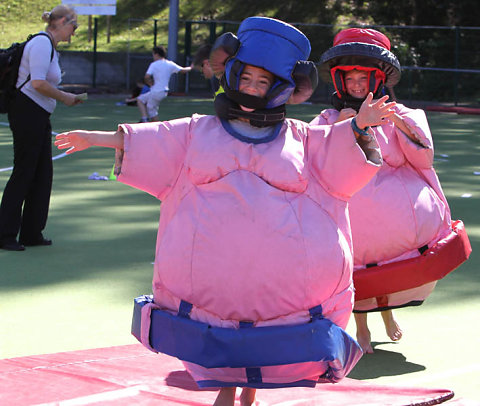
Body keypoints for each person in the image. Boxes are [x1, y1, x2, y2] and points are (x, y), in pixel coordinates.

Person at [55, 17, 396, 406]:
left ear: (280, 88)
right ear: (232, 77)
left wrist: (361, 126)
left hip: (276, 289)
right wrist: (91, 138)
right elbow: (147, 139)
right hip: (214, 286)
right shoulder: (198, 131)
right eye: (246, 78)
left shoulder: (300, 138)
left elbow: (336, 149)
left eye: (262, 82)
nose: (252, 87)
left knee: (264, 338)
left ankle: (248, 395)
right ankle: (227, 393)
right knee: (223, 336)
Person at [311, 28, 469, 354]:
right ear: (339, 81)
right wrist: (345, 126)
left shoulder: (402, 116)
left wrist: (396, 121)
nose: (356, 85)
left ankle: (387, 316)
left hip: (396, 226)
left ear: (378, 80)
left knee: (388, 269)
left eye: (363, 79)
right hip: (351, 218)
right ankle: (363, 329)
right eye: (349, 79)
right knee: (356, 273)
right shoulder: (328, 118)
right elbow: (316, 160)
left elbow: (423, 156)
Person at [0, 4, 83, 252]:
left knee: (42, 172)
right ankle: (5, 234)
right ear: (62, 22)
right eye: (74, 26)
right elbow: (37, 82)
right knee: (25, 171)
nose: (74, 32)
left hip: (37, 113)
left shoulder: (50, 46)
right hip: (27, 113)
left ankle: (31, 231)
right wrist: (65, 97)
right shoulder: (42, 43)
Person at [137, 45, 193, 122]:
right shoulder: (169, 64)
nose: (153, 56)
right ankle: (145, 118)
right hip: (163, 92)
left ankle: (152, 125)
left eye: (153, 54)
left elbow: (146, 77)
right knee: (140, 99)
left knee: (152, 112)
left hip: (156, 91)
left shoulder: (154, 64)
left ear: (156, 54)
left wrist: (150, 84)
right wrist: (191, 67)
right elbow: (183, 70)